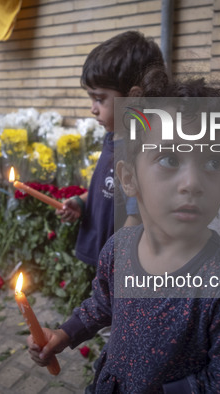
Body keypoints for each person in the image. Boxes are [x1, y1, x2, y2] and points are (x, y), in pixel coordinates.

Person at [29, 75, 220, 392]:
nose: (192, 182)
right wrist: (64, 334)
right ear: (129, 179)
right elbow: (102, 303)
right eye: (169, 158)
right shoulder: (120, 247)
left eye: (212, 162)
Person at [56, 30, 165, 267]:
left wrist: (116, 259)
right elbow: (109, 189)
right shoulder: (114, 137)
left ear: (133, 98)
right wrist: (82, 202)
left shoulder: (143, 151)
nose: (93, 109)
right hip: (104, 256)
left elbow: (136, 213)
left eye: (99, 99)